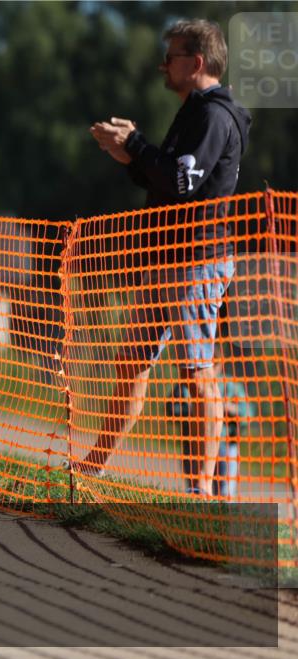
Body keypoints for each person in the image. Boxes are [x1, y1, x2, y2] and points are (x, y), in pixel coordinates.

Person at [73, 19, 251, 495]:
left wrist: (135, 145)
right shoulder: (193, 111)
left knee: (197, 374)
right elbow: (165, 179)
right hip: (164, 256)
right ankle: (92, 468)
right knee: (132, 362)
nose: (162, 65)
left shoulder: (215, 116)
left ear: (195, 63)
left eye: (170, 57)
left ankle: (202, 490)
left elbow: (180, 180)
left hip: (197, 260)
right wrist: (131, 157)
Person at [168, 355, 252, 498]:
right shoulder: (187, 383)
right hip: (192, 446)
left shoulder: (230, 386)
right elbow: (171, 409)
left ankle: (223, 519)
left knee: (224, 493)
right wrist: (195, 411)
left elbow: (246, 414)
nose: (213, 367)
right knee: (196, 488)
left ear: (220, 364)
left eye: (215, 363)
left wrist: (228, 408)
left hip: (224, 447)